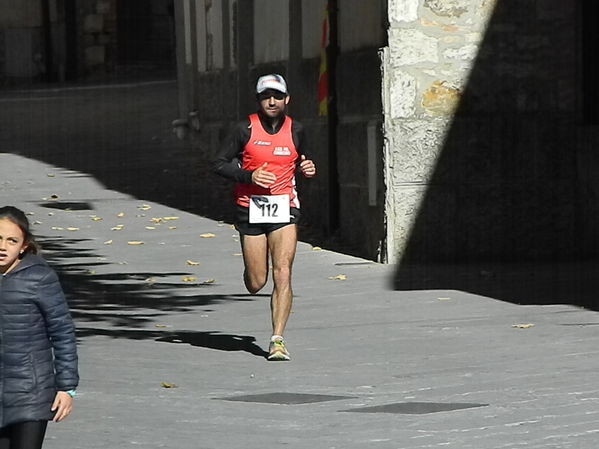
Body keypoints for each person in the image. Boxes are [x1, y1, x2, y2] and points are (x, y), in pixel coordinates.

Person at [213, 74, 317, 361]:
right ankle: (251, 268)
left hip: (285, 206)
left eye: (277, 95)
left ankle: (277, 340)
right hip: (250, 207)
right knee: (257, 282)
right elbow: (219, 164)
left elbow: (302, 161)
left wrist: (307, 168)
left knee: (282, 271)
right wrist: (249, 175)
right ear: (258, 100)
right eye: (266, 96)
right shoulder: (243, 129)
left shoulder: (297, 129)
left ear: (287, 99)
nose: (272, 101)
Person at [0, 206, 78, 449]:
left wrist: (67, 387)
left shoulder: (39, 278)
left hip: (31, 392)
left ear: (23, 246)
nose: (3, 246)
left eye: (12, 240)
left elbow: (63, 332)